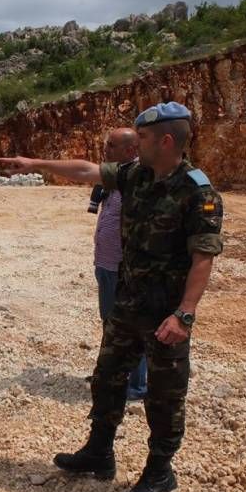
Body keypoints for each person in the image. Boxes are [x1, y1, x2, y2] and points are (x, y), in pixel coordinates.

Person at [0, 102, 223, 492]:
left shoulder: (197, 191)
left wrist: (185, 314)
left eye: (143, 139)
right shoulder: (136, 175)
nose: (136, 146)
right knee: (107, 379)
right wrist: (33, 162)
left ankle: (160, 471)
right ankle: (99, 452)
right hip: (128, 302)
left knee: (164, 396)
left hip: (165, 315)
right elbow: (86, 170)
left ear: (166, 141)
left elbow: (203, 257)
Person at [91, 128, 147, 401]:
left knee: (131, 328)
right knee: (110, 323)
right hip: (105, 264)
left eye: (111, 146)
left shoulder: (136, 180)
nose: (106, 149)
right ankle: (110, 374)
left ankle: (136, 385)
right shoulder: (114, 179)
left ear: (130, 150)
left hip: (122, 269)